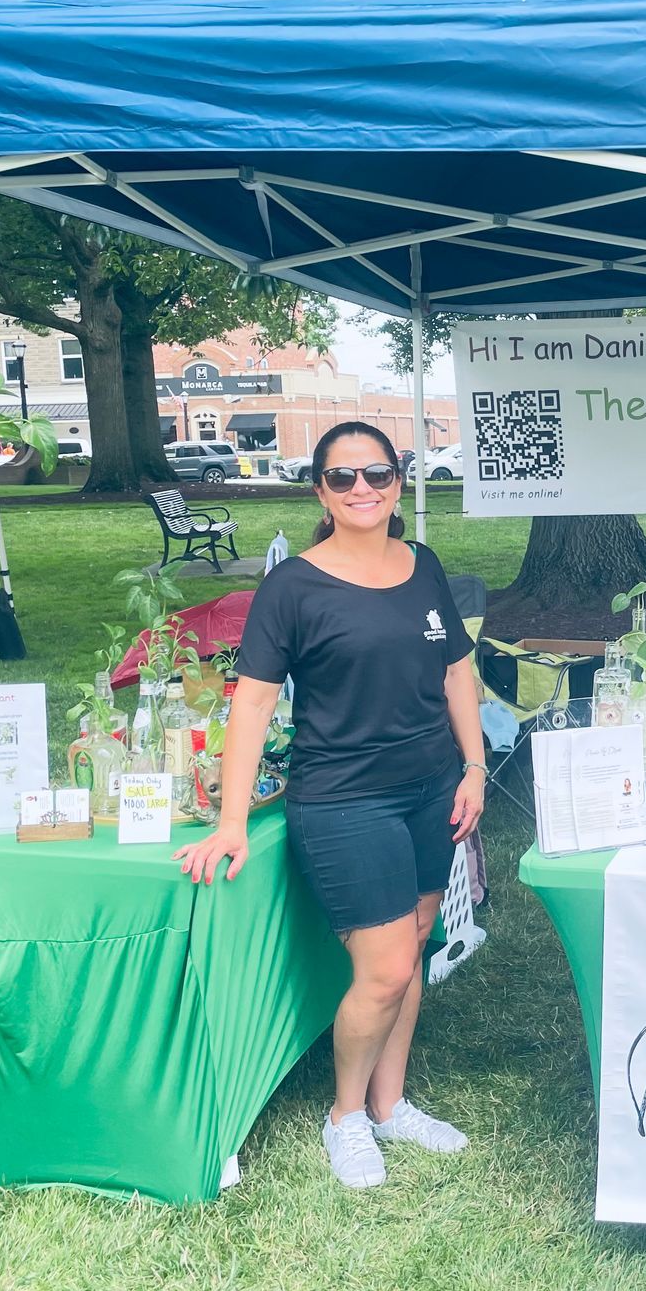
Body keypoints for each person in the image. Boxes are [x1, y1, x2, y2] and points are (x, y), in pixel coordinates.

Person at [174, 421, 486, 1190]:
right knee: (382, 971)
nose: (363, 490)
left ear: (398, 483)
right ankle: (346, 1116)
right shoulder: (293, 586)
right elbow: (250, 707)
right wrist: (233, 820)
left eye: (377, 474)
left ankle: (390, 1105)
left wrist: (475, 766)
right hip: (346, 800)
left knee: (413, 944)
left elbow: (457, 671)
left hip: (432, 791)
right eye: (343, 478)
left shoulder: (424, 564)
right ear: (320, 490)